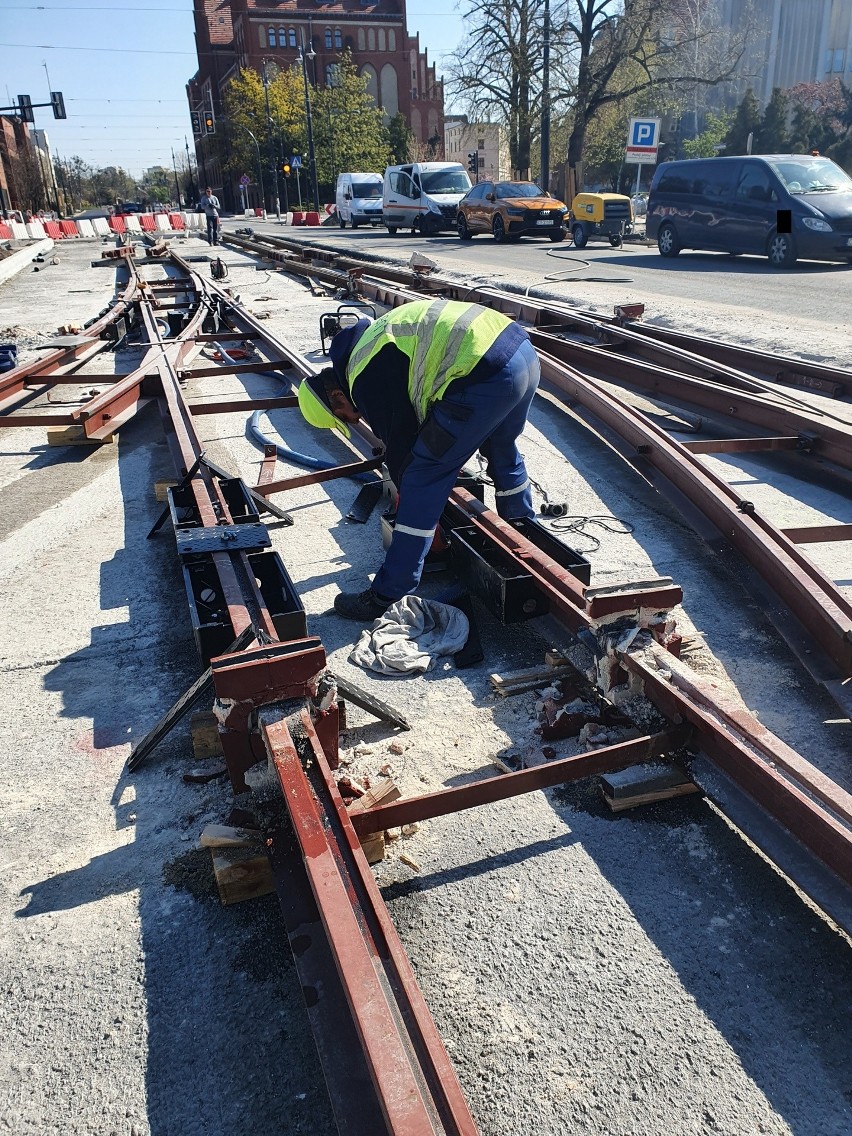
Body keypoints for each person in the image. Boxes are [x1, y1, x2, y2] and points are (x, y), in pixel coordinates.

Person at [297, 299, 540, 620]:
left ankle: (387, 591)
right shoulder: (375, 341)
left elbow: (404, 452)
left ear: (337, 397)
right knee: (502, 450)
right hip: (521, 353)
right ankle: (524, 531)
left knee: (421, 478)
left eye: (344, 417)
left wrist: (412, 504)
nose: (354, 421)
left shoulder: (363, 376)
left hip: (482, 373)